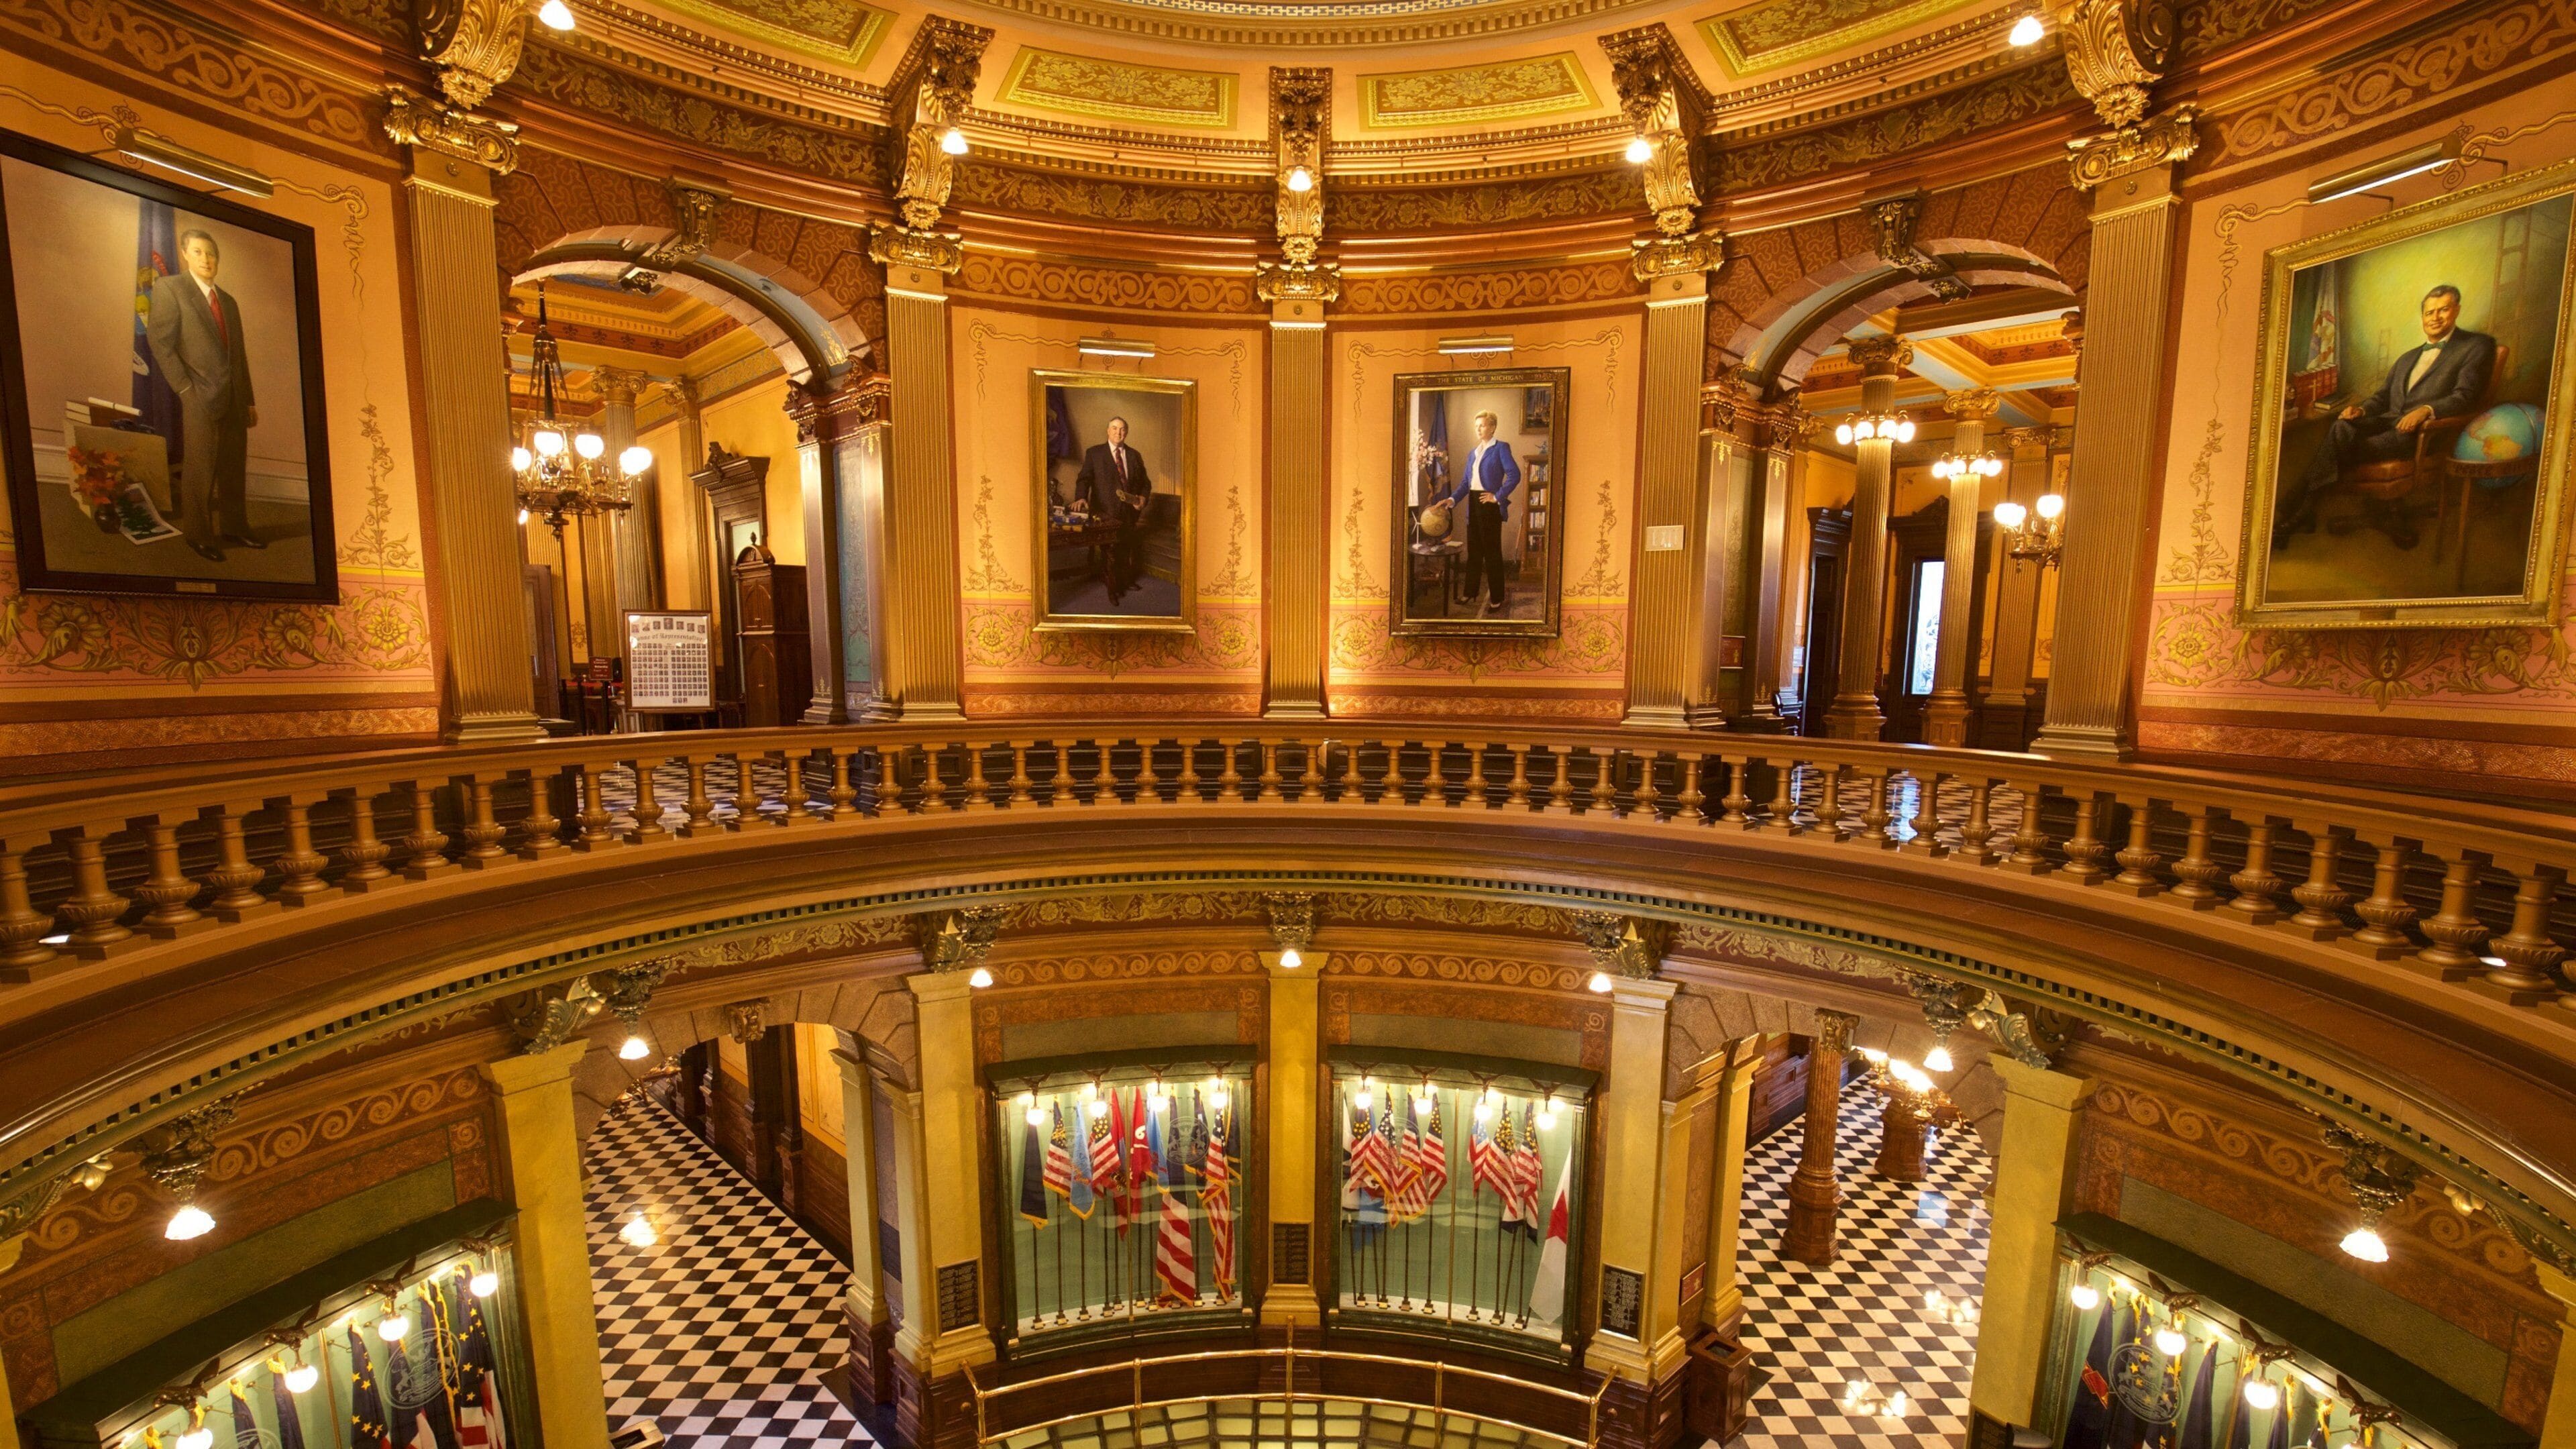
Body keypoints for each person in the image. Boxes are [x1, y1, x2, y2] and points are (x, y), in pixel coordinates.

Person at [2275, 283, 2495, 550]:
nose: (2435, 318)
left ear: (2456, 310)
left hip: (2423, 434)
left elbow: (2465, 396)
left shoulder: (2476, 346)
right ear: (2423, 317)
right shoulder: (2407, 358)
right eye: (2429, 312)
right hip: (2387, 426)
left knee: (2338, 445)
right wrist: (2362, 410)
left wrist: (2426, 410)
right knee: (2342, 427)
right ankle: (2303, 512)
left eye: (2443, 310)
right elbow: (2382, 398)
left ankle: (2297, 512)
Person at [146, 227, 260, 564]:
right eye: (198, 252)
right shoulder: (171, 288)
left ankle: (234, 527)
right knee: (200, 468)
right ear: (185, 255)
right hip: (198, 394)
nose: (206, 259)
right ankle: (198, 535)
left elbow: (238, 356)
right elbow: (160, 343)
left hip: (235, 399)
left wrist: (249, 399)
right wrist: (184, 388)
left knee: (233, 467)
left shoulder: (229, 302)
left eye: (211, 254)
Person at [1446, 410, 1521, 614]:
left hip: (1489, 507)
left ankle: (1497, 598)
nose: (1478, 428)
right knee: (1475, 553)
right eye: (1476, 425)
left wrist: (1497, 496)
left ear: (1493, 427)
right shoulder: (1474, 453)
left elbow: (1515, 475)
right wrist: (1452, 499)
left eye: (1483, 425)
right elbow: (1465, 483)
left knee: (1492, 554)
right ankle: (1470, 592)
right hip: (1473, 504)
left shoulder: (1501, 448)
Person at [1075, 415, 1153, 604]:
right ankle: (1113, 586)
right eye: (1115, 429)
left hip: (1129, 512)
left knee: (1125, 547)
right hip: (1104, 511)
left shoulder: (1135, 455)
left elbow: (1145, 483)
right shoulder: (1095, 453)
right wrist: (1081, 497)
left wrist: (1143, 498)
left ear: (1127, 432)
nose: (1119, 432)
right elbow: (1084, 478)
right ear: (1108, 431)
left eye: (1123, 429)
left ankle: (1125, 580)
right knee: (1110, 550)